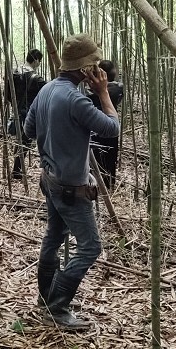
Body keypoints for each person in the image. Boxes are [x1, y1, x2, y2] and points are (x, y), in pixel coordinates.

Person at [23, 34, 120, 331]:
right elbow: (111, 129)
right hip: (69, 188)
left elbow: (27, 129)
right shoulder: (76, 100)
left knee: (53, 237)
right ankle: (57, 306)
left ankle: (45, 298)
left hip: (49, 179)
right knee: (90, 247)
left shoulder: (47, 89)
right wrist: (103, 93)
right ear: (87, 70)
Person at [3, 48, 45, 180]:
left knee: (21, 139)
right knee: (26, 141)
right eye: (39, 61)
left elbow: (8, 94)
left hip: (17, 110)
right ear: (36, 60)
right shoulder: (36, 78)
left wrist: (15, 105)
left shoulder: (13, 73)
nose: (39, 64)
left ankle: (17, 169)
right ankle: (17, 171)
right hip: (29, 112)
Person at [86, 59, 124, 191]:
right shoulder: (118, 88)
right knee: (111, 156)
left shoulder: (95, 91)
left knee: (97, 157)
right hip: (111, 125)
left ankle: (97, 184)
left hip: (96, 126)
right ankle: (109, 184)